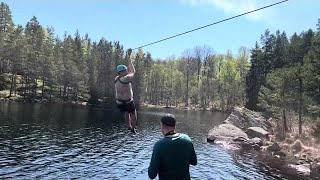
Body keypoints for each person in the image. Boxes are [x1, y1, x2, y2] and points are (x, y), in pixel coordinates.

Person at [148, 114, 197, 180]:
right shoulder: (187, 139)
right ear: (175, 126)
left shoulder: (159, 145)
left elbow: (152, 175)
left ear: (162, 126)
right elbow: (194, 162)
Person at [114, 48, 137, 133]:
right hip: (128, 101)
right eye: (125, 71)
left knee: (126, 112)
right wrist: (129, 57)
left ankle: (128, 126)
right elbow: (133, 71)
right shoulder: (126, 78)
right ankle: (133, 128)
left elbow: (128, 71)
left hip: (119, 102)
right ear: (121, 72)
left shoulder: (117, 78)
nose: (127, 72)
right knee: (133, 114)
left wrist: (127, 68)